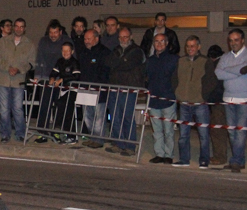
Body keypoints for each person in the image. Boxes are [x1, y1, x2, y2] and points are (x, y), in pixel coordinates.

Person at [215, 29, 247, 172]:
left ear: (242, 40)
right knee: (232, 131)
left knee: (240, 132)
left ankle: (236, 161)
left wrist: (228, 70)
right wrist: (236, 72)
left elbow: (245, 69)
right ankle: (239, 160)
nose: (233, 43)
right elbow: (218, 74)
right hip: (228, 98)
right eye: (231, 40)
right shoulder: (225, 56)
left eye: (236, 40)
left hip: (244, 98)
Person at [103, 27, 146, 156]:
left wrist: (118, 63)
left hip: (129, 89)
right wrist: (120, 62)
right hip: (114, 88)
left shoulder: (137, 51)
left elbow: (128, 65)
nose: (123, 39)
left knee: (127, 117)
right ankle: (118, 143)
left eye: (125, 37)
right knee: (115, 117)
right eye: (120, 37)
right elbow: (108, 62)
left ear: (131, 37)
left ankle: (130, 146)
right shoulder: (116, 50)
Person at [0, 18, 36, 143]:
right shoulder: (3, 41)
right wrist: (8, 68)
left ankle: (21, 133)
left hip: (19, 81)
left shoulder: (29, 44)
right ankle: (5, 134)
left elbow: (32, 63)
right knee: (4, 109)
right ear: (13, 27)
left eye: (21, 26)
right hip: (3, 79)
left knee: (17, 109)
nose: (18, 29)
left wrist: (19, 69)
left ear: (24, 28)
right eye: (16, 26)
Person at [172, 36, 211, 169]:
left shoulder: (206, 61)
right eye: (188, 46)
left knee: (203, 134)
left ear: (198, 47)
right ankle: (184, 159)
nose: (190, 49)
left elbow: (211, 81)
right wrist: (178, 93)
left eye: (193, 46)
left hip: (200, 104)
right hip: (184, 104)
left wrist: (203, 96)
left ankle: (204, 160)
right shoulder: (181, 61)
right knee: (183, 134)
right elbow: (174, 79)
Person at [34, 19, 72, 140]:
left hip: (61, 80)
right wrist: (37, 77)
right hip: (46, 78)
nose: (53, 35)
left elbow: (71, 61)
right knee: (44, 105)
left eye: (55, 32)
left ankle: (57, 130)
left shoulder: (67, 41)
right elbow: (39, 59)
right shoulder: (43, 41)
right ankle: (42, 131)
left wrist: (62, 78)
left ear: (60, 32)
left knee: (61, 106)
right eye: (51, 32)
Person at [146, 34, 178, 163]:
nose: (159, 44)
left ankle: (168, 155)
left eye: (162, 41)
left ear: (167, 43)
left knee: (169, 130)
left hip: (168, 99)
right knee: (157, 130)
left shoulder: (174, 59)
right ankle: (159, 153)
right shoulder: (150, 60)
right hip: (154, 100)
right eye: (156, 42)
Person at [76, 29, 111, 147]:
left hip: (98, 90)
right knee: (87, 115)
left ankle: (98, 140)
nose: (86, 41)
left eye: (89, 39)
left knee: (99, 117)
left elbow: (105, 72)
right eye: (85, 39)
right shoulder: (83, 53)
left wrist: (99, 85)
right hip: (85, 89)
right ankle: (92, 137)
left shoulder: (104, 52)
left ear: (96, 38)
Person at [202, 44, 228, 165]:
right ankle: (220, 155)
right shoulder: (223, 63)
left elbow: (213, 85)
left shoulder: (215, 66)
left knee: (217, 130)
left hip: (218, 102)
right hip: (220, 101)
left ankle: (220, 156)